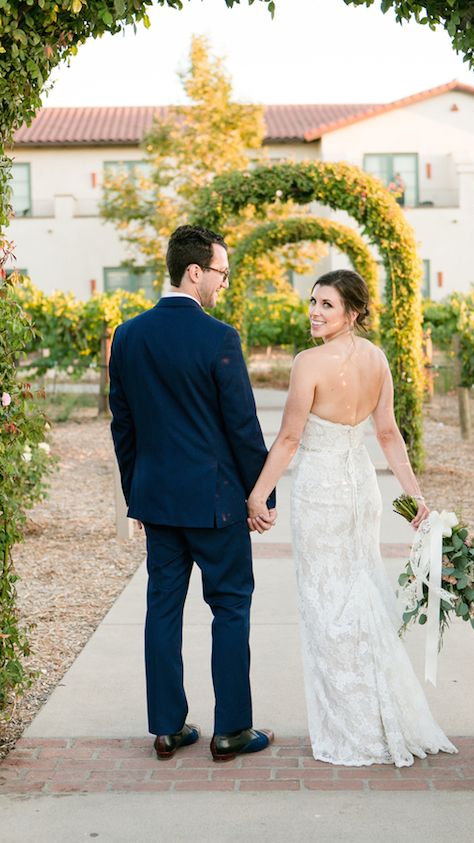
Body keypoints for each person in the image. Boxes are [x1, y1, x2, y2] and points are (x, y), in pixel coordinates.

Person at [247, 269, 457, 767]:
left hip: (322, 491)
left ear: (352, 313)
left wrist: (258, 493)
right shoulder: (377, 360)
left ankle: (354, 726)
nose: (315, 313)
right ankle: (383, 713)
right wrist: (413, 497)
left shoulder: (308, 363)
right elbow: (386, 434)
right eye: (313, 302)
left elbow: (291, 439)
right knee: (358, 594)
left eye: (327, 306)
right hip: (360, 487)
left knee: (328, 607)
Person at [109, 225, 276, 763]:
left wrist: (136, 492)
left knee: (162, 608)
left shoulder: (129, 335)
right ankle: (230, 731)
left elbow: (123, 424)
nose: (224, 284)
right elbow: (243, 426)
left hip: (158, 500)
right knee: (230, 606)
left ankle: (166, 728)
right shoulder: (218, 337)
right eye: (221, 273)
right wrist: (261, 495)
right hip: (216, 502)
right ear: (194, 271)